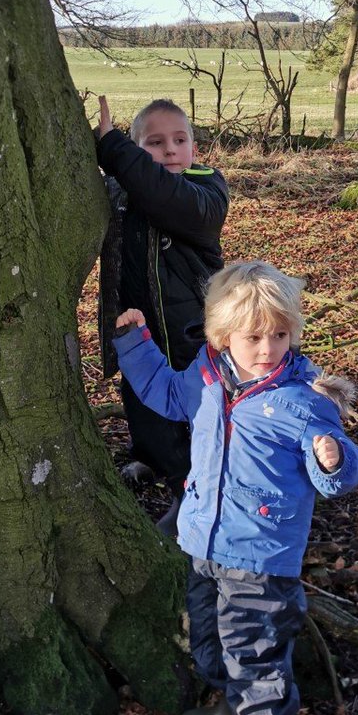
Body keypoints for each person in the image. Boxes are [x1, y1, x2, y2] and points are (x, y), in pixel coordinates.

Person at [112, 261, 358, 715]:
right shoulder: (207, 377)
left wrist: (334, 459)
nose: (267, 349)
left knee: (255, 649)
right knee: (207, 635)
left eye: (280, 335)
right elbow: (164, 394)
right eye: (253, 337)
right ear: (221, 336)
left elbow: (343, 468)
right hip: (203, 543)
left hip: (261, 556)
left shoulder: (302, 400)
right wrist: (134, 344)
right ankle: (234, 703)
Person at [96, 95, 229, 534]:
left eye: (179, 139)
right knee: (141, 398)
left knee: (194, 409)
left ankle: (187, 492)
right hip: (137, 324)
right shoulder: (120, 190)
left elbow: (164, 197)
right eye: (153, 143)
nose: (170, 150)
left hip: (192, 329)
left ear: (194, 146)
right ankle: (150, 458)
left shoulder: (207, 188)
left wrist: (115, 150)